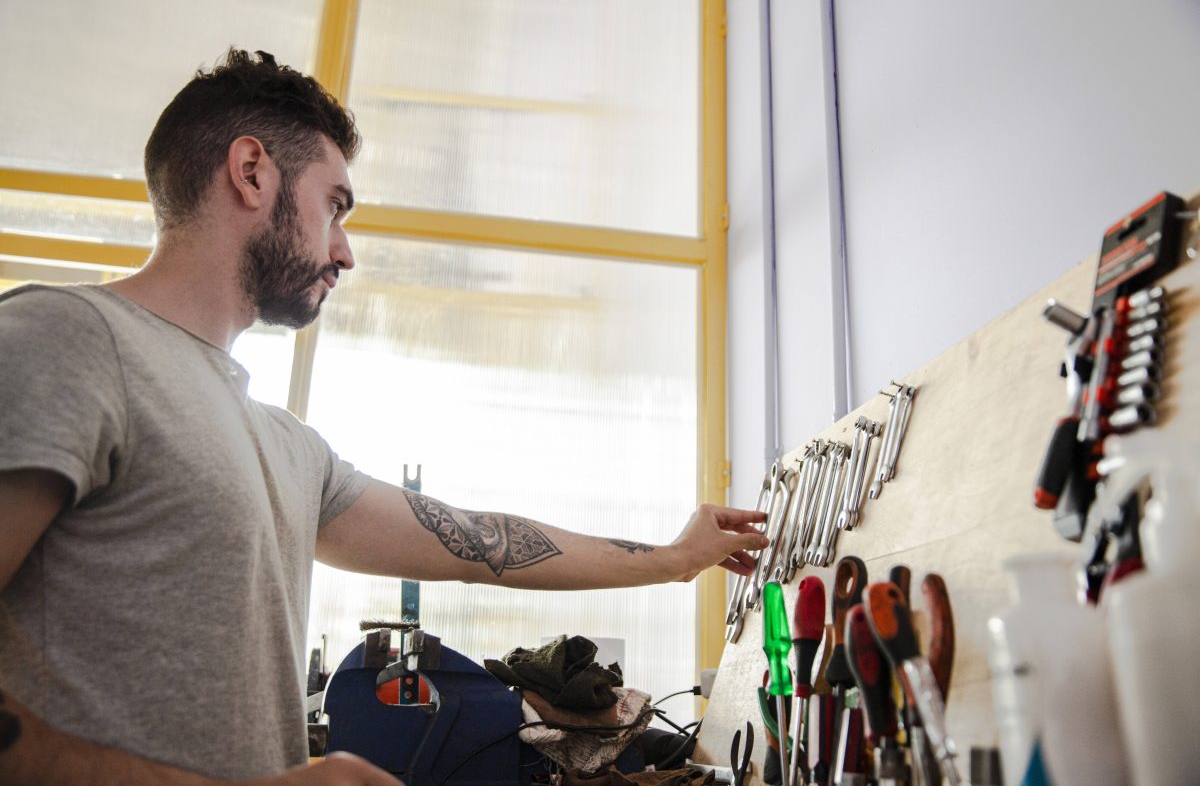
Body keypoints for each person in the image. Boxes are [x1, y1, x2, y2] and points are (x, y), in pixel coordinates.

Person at [0, 49, 768, 786]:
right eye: (334, 205)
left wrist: (672, 560)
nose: (345, 251)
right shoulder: (69, 339)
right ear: (251, 171)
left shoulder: (288, 448)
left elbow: (479, 543)